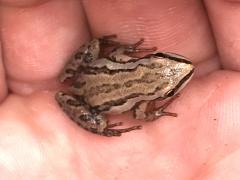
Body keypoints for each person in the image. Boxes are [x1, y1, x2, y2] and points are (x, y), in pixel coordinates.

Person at [0, 0, 239, 179]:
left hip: (87, 74)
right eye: (159, 60)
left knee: (95, 46)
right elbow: (138, 114)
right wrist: (155, 112)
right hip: (92, 102)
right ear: (149, 61)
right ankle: (100, 126)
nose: (183, 65)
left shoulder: (129, 63)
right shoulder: (142, 100)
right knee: (102, 122)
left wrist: (124, 50)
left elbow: (116, 55)